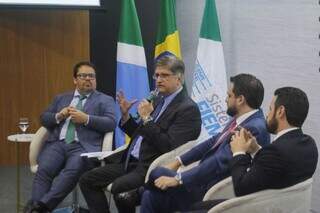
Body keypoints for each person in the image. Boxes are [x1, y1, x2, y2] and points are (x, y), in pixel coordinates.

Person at [79, 55, 202, 213]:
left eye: (164, 75)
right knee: (87, 180)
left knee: (120, 190)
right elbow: (141, 135)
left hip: (150, 166)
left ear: (178, 79)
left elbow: (169, 146)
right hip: (129, 161)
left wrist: (147, 119)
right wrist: (126, 116)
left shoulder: (188, 109)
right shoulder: (158, 100)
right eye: (156, 75)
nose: (158, 80)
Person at [140, 73, 270, 213]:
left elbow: (219, 162)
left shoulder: (252, 128)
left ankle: (137, 193)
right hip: (203, 181)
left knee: (157, 172)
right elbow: (213, 141)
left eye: (229, 95)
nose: (225, 99)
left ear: (240, 100)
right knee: (150, 196)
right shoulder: (243, 119)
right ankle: (141, 192)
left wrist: (179, 178)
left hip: (212, 191)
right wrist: (178, 161)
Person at [24, 61, 116, 213]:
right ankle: (37, 206)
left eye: (91, 76)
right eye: (83, 76)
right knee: (44, 170)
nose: (88, 79)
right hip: (58, 144)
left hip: (83, 147)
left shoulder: (105, 100)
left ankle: (40, 208)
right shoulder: (61, 98)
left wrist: (86, 119)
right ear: (75, 79)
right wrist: (58, 116)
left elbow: (111, 123)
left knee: (71, 172)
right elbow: (43, 118)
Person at [229, 87, 318, 196]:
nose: (267, 115)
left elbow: (241, 189)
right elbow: (276, 170)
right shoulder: (310, 145)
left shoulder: (276, 151)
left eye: (270, 109)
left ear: (280, 111)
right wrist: (255, 149)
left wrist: (238, 152)